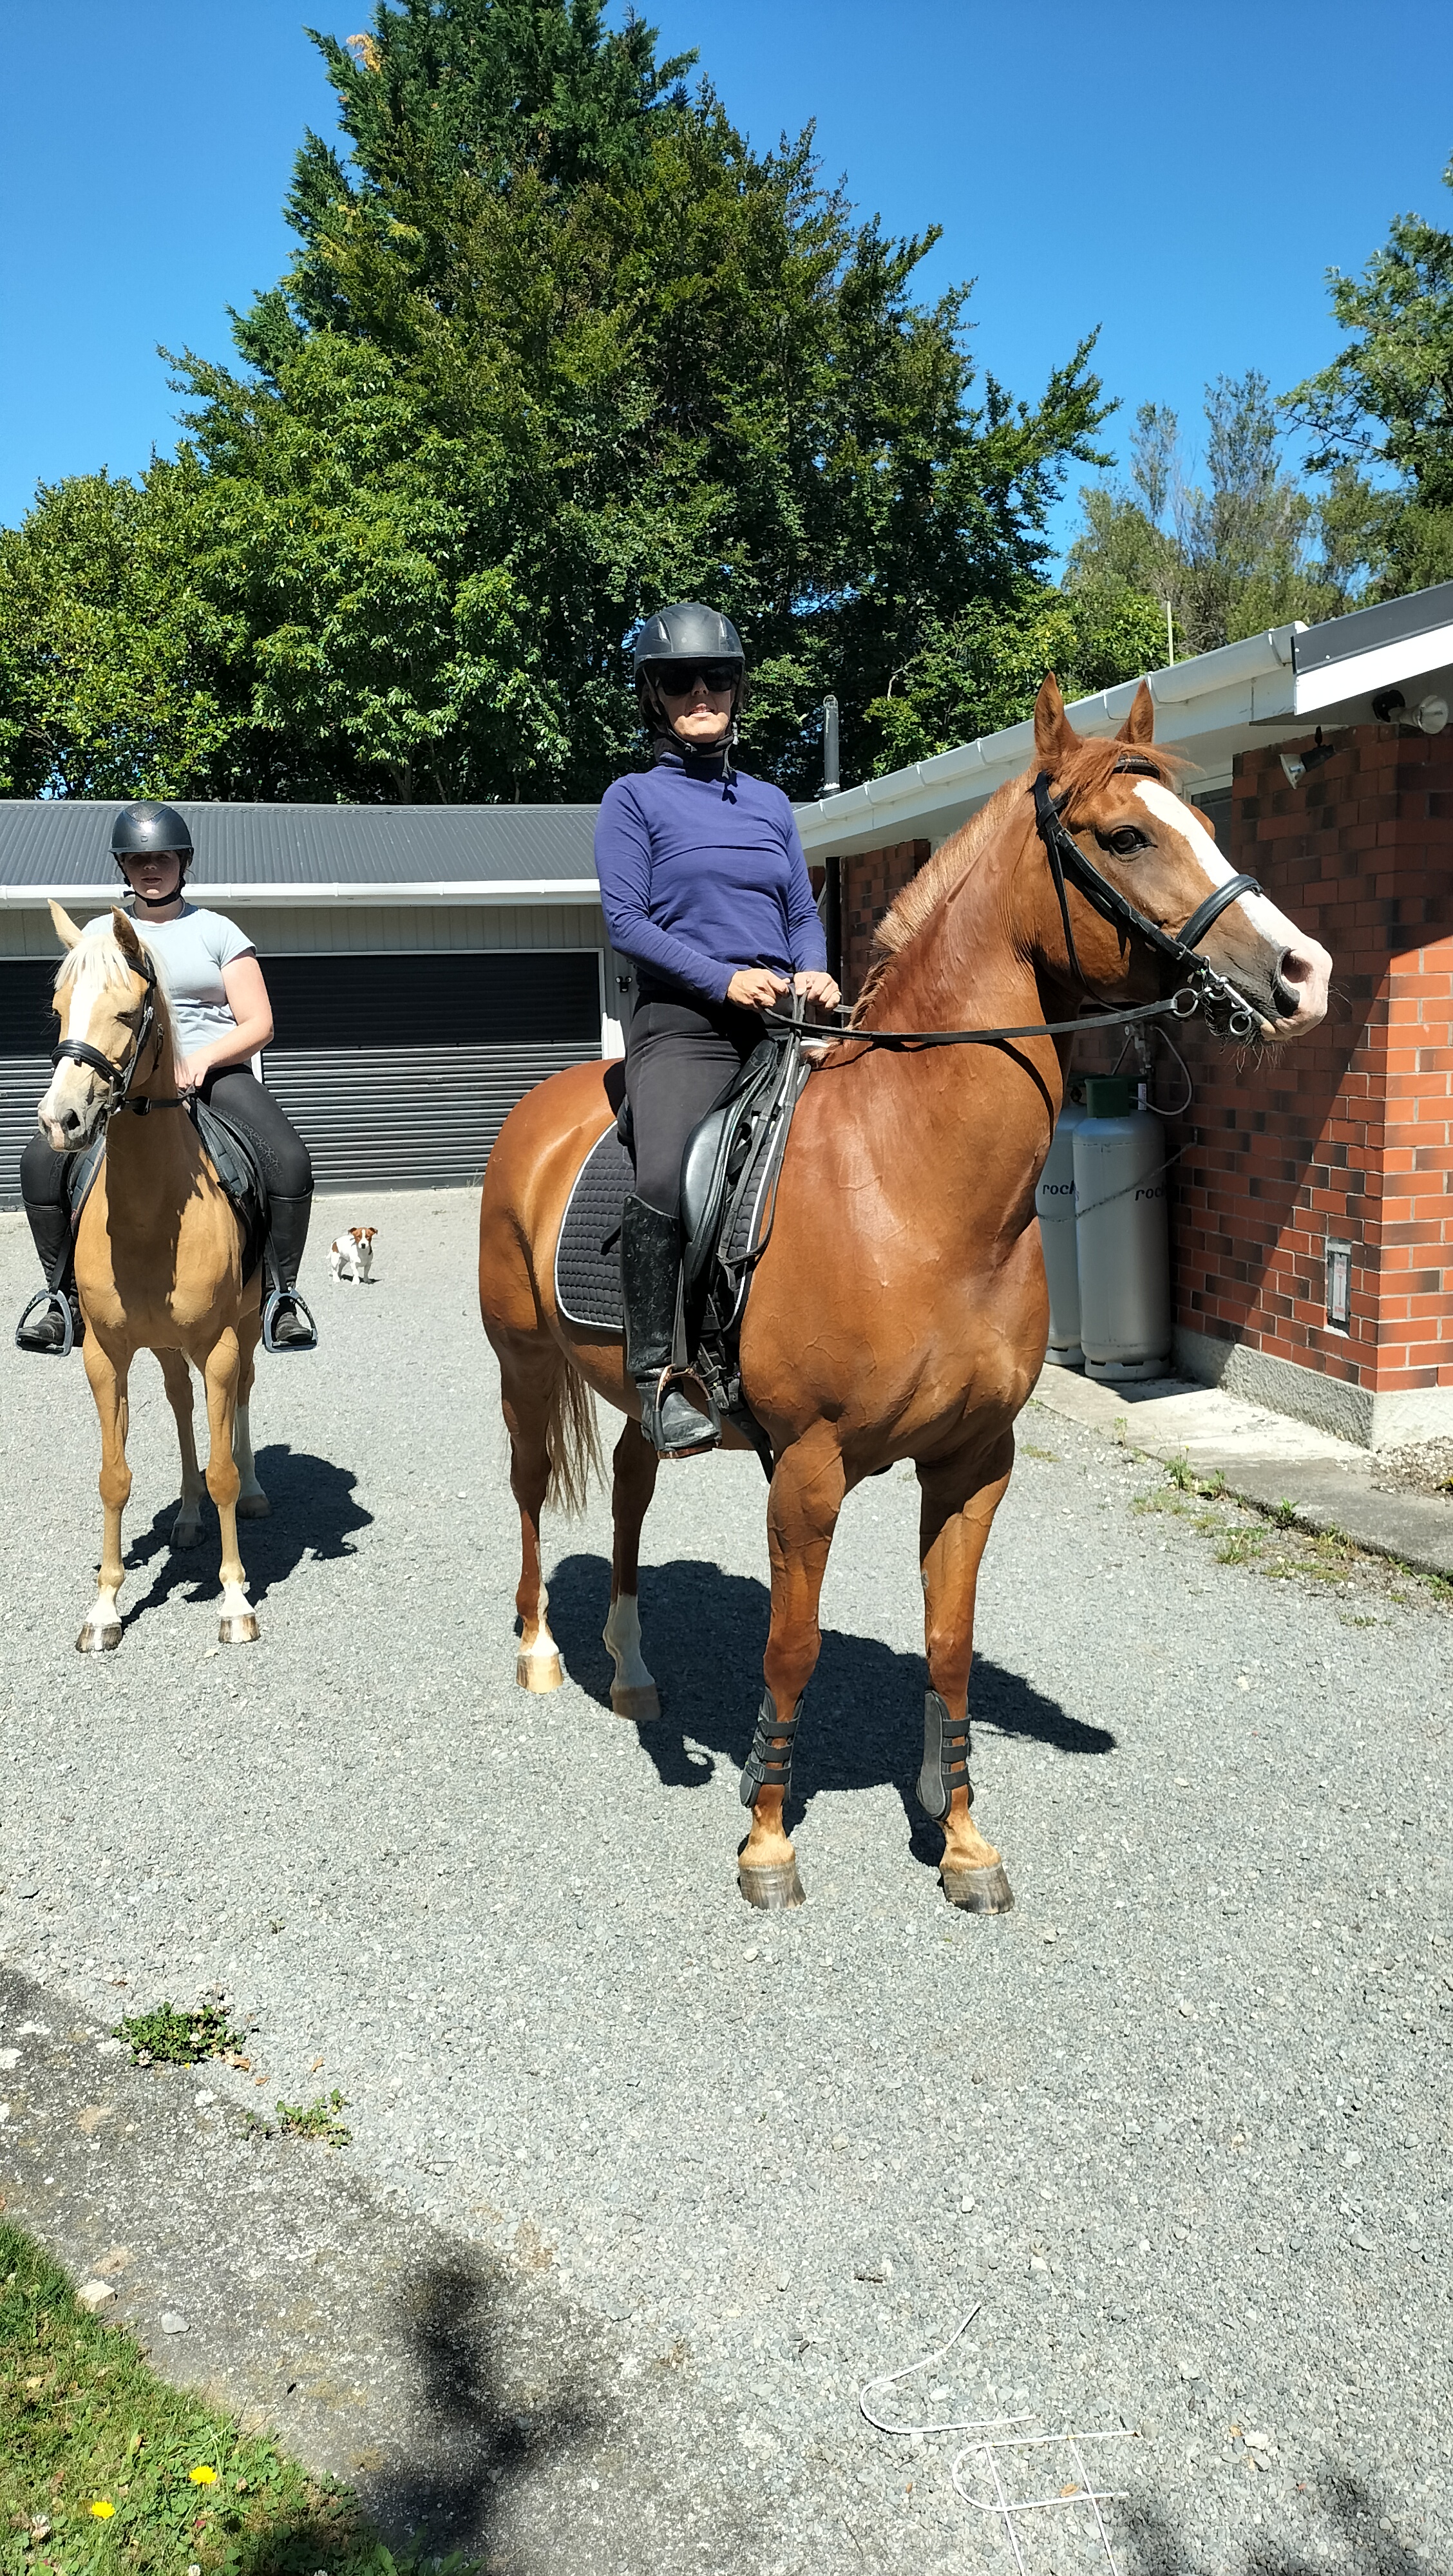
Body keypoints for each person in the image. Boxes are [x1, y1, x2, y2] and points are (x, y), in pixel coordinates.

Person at [595, 604, 840, 1455]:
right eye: (679, 681)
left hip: (779, 1019)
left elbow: (800, 911)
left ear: (739, 689)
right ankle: (659, 1372)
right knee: (665, 1175)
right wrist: (723, 977)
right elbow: (626, 920)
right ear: (654, 698)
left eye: (718, 678)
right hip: (683, 1025)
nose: (701, 693)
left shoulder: (771, 803)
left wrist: (812, 965)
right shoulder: (632, 800)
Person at [15, 802, 318, 1353]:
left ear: (183, 862)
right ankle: (63, 1299)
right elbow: (87, 1015)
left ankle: (281, 1295)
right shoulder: (99, 936)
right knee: (39, 1162)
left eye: (162, 857)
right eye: (137, 859)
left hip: (214, 1071)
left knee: (290, 1161)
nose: (150, 868)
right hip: (123, 1082)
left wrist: (200, 1062)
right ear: (123, 868)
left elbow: (260, 1022)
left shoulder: (217, 931)